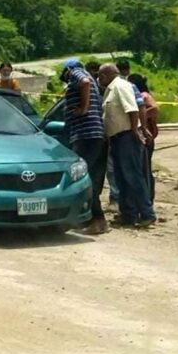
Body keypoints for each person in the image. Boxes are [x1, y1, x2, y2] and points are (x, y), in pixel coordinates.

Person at [98, 63, 155, 228]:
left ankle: (147, 213)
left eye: (101, 75)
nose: (99, 79)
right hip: (117, 138)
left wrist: (137, 131)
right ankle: (128, 214)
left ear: (107, 75)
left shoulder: (120, 86)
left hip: (127, 137)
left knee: (133, 177)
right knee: (121, 179)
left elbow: (133, 109)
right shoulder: (111, 88)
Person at [61, 59, 108, 235]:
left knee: (80, 177)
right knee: (89, 178)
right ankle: (90, 219)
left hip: (86, 135)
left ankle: (96, 220)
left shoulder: (75, 72)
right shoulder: (88, 78)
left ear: (67, 70)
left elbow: (84, 82)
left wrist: (83, 108)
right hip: (93, 135)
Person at [128, 74, 159, 203]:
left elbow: (155, 109)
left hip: (145, 137)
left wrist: (140, 116)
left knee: (144, 168)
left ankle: (147, 197)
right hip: (146, 136)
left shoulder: (144, 96)